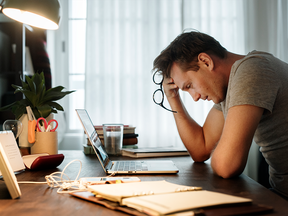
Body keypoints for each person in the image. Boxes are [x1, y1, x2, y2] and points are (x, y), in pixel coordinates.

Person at [152, 30, 288, 199]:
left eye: (189, 85)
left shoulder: (252, 70)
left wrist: (223, 152)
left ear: (205, 61)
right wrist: (173, 97)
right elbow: (200, 149)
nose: (194, 97)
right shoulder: (229, 87)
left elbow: (227, 165)